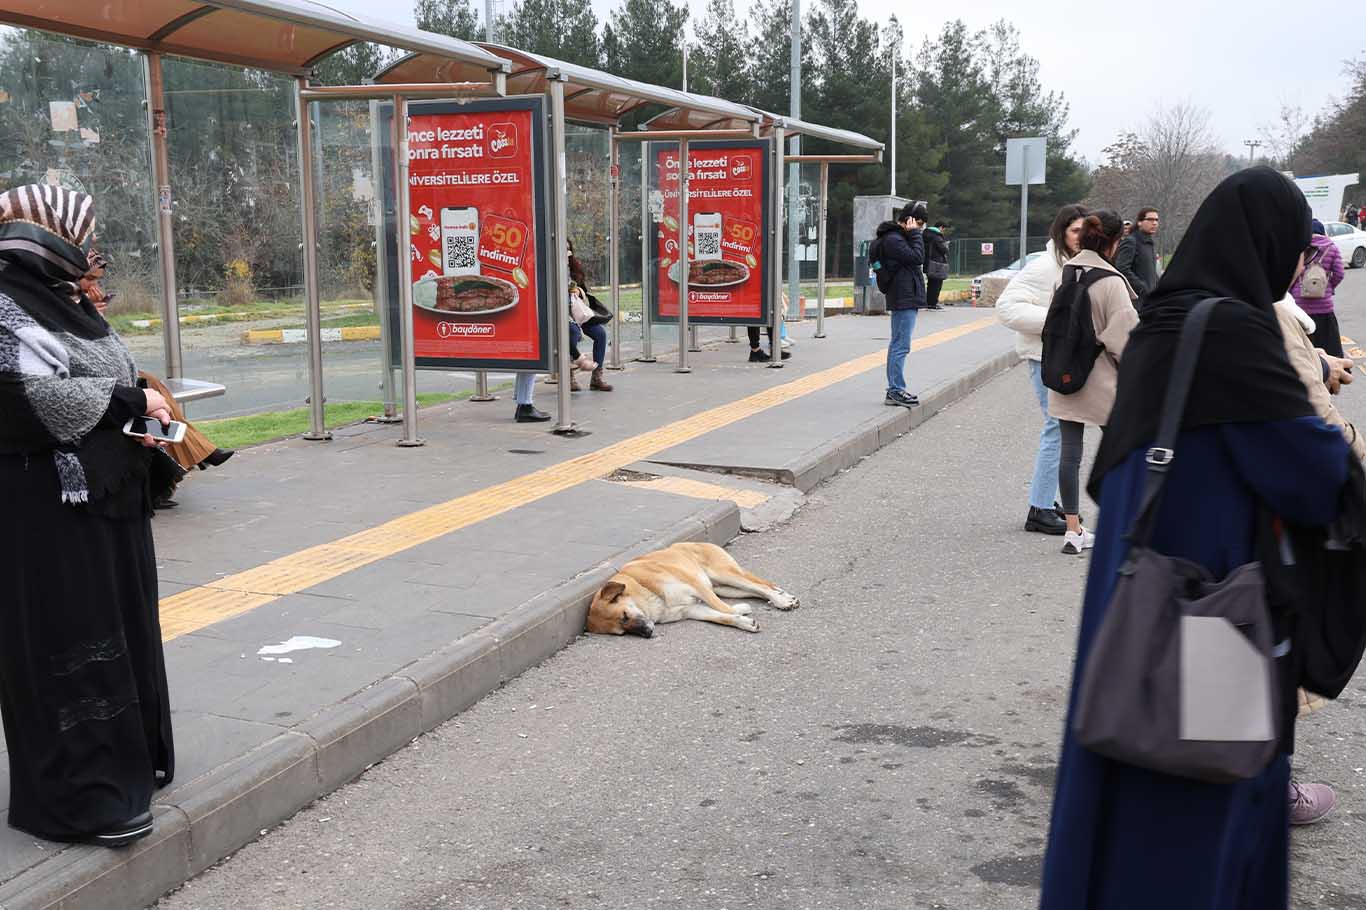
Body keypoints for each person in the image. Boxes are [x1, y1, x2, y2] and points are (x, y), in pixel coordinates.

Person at [1040, 167, 1352, 908]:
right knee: (1202, 782)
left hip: (1136, 590)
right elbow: (1310, 476)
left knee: (1126, 749)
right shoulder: (1235, 331)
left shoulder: (1165, 321)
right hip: (1211, 602)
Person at [0, 185, 176, 847]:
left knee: (118, 627)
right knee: (64, 637)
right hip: (41, 512)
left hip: (105, 501)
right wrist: (124, 398)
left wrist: (145, 411)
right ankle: (80, 796)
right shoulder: (5, 301)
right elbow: (24, 400)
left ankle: (127, 763)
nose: (91, 250)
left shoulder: (65, 298)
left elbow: (114, 375)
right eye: (83, 234)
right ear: (50, 233)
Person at [1046, 210, 1139, 556]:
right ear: (1114, 243)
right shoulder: (1111, 282)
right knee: (1123, 453)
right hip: (1103, 383)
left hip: (1065, 374)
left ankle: (1073, 531)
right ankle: (1125, 526)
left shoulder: (1066, 274)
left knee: (1069, 454)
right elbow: (1126, 341)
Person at [996, 203, 1089, 536]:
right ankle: (1039, 508)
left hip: (1061, 358)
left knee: (1063, 430)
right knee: (1057, 430)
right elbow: (1005, 307)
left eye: (1085, 230)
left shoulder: (1073, 263)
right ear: (1062, 231)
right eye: (1075, 230)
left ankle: (1047, 501)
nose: (1082, 236)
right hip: (1043, 357)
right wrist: (1056, 323)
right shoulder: (1044, 266)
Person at [875, 201, 927, 407]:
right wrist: (915, 234)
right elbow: (917, 257)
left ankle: (895, 389)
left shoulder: (896, 238)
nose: (920, 229)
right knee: (900, 345)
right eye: (919, 224)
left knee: (898, 343)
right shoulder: (894, 240)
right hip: (903, 297)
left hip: (904, 296)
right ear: (911, 221)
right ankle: (895, 389)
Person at [1291, 219, 1346, 356]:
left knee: (1305, 347)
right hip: (1324, 307)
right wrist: (1328, 287)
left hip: (1300, 306)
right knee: (1330, 346)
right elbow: (1339, 273)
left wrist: (1293, 292)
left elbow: (1290, 273)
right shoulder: (1332, 248)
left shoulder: (1300, 248)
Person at [567, 240, 612, 391]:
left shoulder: (574, 268)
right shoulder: (549, 267)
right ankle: (569, 375)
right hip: (562, 315)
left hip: (578, 312)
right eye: (563, 249)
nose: (566, 252)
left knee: (600, 333)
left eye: (568, 249)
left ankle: (597, 376)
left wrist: (578, 291)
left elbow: (584, 290)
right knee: (572, 334)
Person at [1114, 206, 1159, 296]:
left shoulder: (1150, 243)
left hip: (1149, 298)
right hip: (1136, 299)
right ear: (1139, 222)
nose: (1154, 223)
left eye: (1156, 220)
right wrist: (1142, 287)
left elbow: (1151, 272)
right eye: (1150, 219)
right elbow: (1121, 268)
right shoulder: (1131, 241)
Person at [923, 221, 950, 311]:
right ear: (941, 227)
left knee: (931, 284)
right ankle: (933, 304)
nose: (943, 232)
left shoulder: (926, 234)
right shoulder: (936, 237)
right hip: (936, 263)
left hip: (928, 262)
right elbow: (943, 249)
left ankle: (929, 303)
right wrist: (946, 246)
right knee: (937, 284)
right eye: (943, 229)